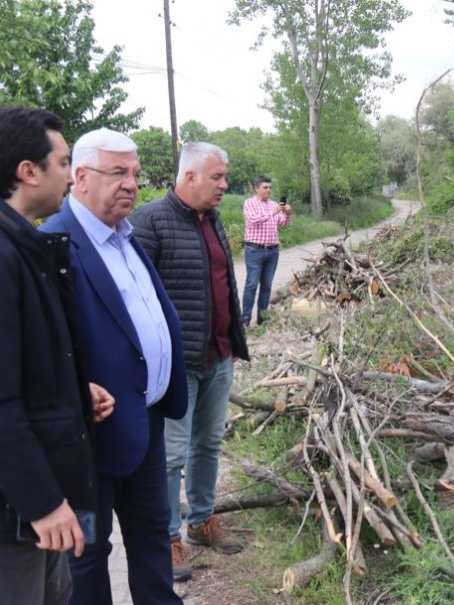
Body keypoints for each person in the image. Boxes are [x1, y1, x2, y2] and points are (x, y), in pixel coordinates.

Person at [0, 107, 112, 605]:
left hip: (28, 502)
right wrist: (42, 505)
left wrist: (73, 394)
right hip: (3, 514)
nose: (70, 174)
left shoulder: (19, 243)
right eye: (63, 162)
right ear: (28, 171)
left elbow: (18, 363)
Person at [41, 128, 188, 604]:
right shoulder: (52, 243)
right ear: (80, 177)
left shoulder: (126, 237)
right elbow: (36, 348)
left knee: (151, 536)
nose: (131, 183)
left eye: (135, 174)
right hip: (88, 434)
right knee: (86, 555)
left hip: (143, 422)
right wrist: (72, 387)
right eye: (118, 172)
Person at [130, 142, 249, 581]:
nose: (224, 185)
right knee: (172, 454)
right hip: (177, 366)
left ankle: (201, 520)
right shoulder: (149, 222)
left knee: (209, 444)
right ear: (190, 176)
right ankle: (168, 539)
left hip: (218, 355)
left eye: (225, 177)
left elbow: (226, 286)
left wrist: (234, 338)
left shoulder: (214, 220)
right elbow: (136, 300)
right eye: (217, 177)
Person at [241, 176, 290, 326]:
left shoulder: (274, 204)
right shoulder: (250, 203)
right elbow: (253, 220)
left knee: (267, 285)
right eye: (265, 187)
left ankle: (262, 319)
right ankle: (245, 320)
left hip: (272, 251)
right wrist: (274, 212)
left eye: (270, 187)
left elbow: (283, 224)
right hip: (254, 250)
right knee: (251, 284)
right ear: (257, 188)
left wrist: (288, 213)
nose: (268, 190)